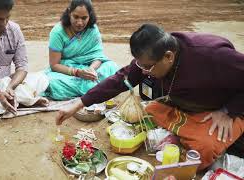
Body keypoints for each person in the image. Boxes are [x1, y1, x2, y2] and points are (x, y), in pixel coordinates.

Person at [55, 23, 244, 171]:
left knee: (203, 149)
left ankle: (189, 135)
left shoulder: (212, 55)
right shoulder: (153, 54)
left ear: (168, 56)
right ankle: (180, 133)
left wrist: (227, 111)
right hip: (186, 106)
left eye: (147, 67)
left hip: (218, 111)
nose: (143, 71)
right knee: (148, 110)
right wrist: (78, 103)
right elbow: (120, 79)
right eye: (140, 65)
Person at [44, 0, 118, 100]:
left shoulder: (92, 29)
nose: (79, 22)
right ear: (69, 12)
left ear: (90, 16)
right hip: (67, 71)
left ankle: (88, 87)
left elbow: (98, 56)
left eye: (84, 18)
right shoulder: (57, 32)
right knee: (51, 82)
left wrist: (91, 70)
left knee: (112, 67)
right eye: (76, 17)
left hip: (89, 68)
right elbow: (54, 65)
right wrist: (77, 72)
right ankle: (95, 88)